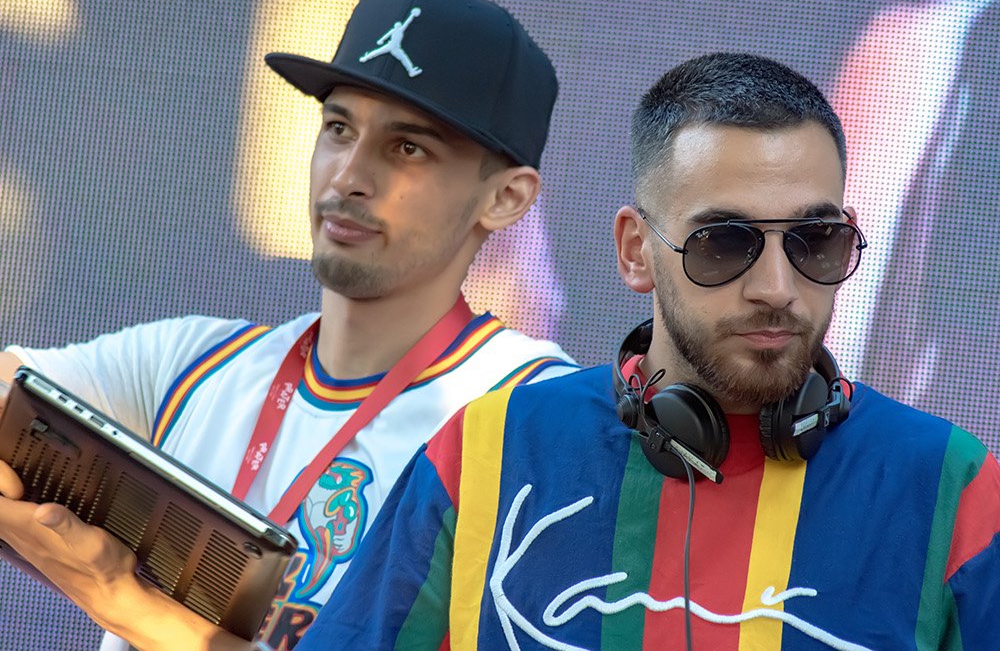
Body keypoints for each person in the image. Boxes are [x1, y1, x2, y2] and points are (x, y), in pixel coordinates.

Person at [296, 52, 1000, 650]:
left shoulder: (954, 490)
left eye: (815, 241)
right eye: (723, 242)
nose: (778, 288)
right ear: (636, 251)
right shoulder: (486, 452)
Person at [0, 0, 578, 649]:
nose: (348, 176)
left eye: (407, 148)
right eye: (339, 128)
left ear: (506, 197)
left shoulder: (539, 414)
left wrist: (128, 604)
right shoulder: (193, 363)